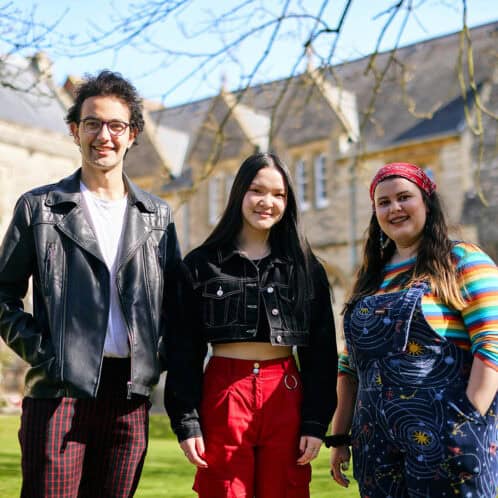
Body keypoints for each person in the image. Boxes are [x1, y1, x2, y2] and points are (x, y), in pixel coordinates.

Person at [0, 70, 181, 497]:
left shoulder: (157, 217)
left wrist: (157, 359)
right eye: (92, 123)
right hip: (59, 393)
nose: (104, 135)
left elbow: (178, 304)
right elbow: (3, 294)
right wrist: (46, 353)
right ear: (74, 131)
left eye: (116, 125)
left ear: (133, 134)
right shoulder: (39, 208)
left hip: (129, 398)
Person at [165, 152, 337, 498]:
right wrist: (187, 421)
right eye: (258, 190)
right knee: (224, 491)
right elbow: (182, 350)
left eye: (279, 194)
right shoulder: (201, 264)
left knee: (285, 491)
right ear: (239, 193)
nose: (267, 202)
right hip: (223, 392)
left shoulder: (305, 267)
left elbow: (321, 352)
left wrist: (316, 421)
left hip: (285, 392)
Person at [329, 162, 498, 497]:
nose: (395, 208)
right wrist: (340, 438)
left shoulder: (463, 260)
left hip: (446, 442)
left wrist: (466, 426)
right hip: (374, 448)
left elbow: (491, 343)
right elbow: (350, 365)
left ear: (427, 202)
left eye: (404, 197)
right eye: (384, 202)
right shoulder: (370, 279)